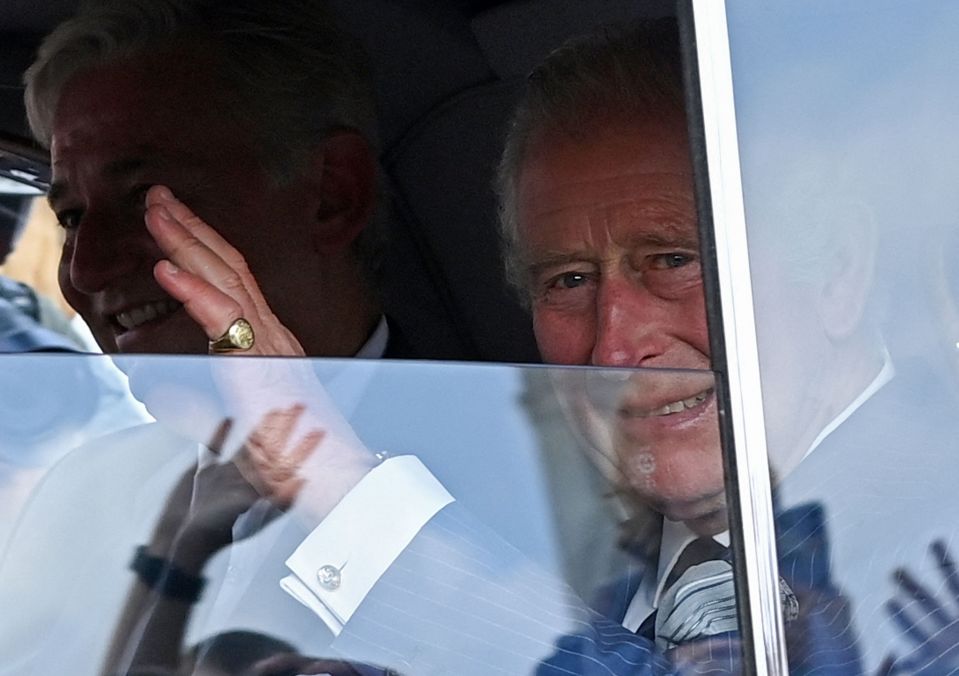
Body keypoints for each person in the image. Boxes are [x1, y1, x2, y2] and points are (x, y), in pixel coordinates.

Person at [27, 0, 417, 361]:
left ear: (333, 197)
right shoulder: (106, 440)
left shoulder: (471, 428)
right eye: (72, 218)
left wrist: (289, 423)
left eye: (148, 199)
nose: (87, 270)